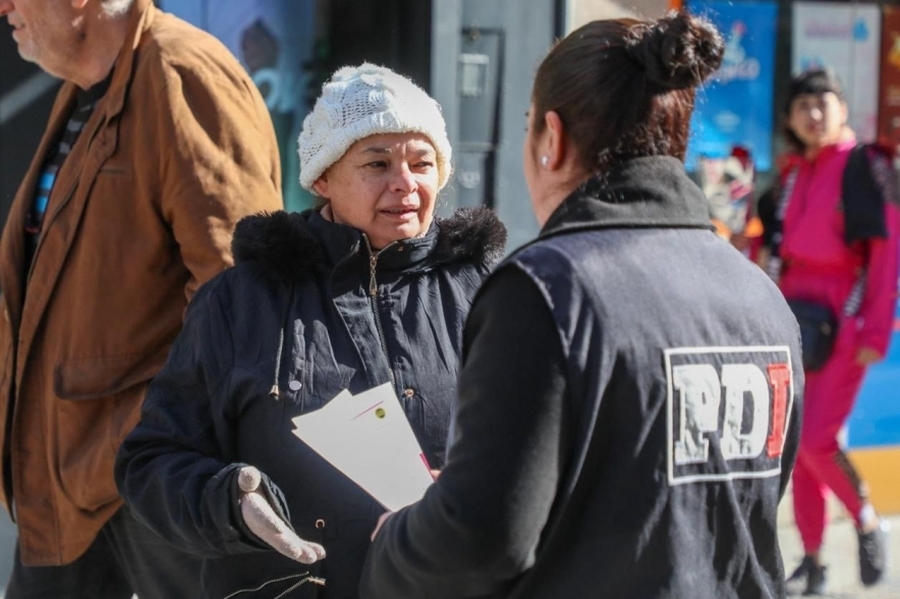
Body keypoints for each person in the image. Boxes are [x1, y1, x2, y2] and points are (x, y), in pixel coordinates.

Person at [358, 12, 805, 599]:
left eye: (527, 130)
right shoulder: (761, 298)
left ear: (552, 138)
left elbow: (482, 539)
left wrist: (396, 542)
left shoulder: (545, 289)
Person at [115, 62, 507, 599]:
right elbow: (151, 461)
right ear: (322, 178)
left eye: (422, 163)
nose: (405, 184)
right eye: (377, 163)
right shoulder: (242, 301)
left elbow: (539, 446)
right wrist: (229, 502)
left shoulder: (484, 291)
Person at [0, 0, 284, 597]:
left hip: (150, 483)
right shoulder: (86, 89)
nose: (3, 7)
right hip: (68, 479)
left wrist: (148, 433)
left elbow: (238, 291)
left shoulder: (182, 73)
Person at [756, 69, 899, 595]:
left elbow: (886, 252)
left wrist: (874, 330)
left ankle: (865, 519)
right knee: (798, 449)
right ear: (790, 118)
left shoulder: (870, 166)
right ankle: (813, 561)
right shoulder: (793, 173)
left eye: (824, 103)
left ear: (842, 108)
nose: (814, 114)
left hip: (846, 318)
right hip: (793, 317)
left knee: (817, 437)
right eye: (803, 106)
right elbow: (770, 247)